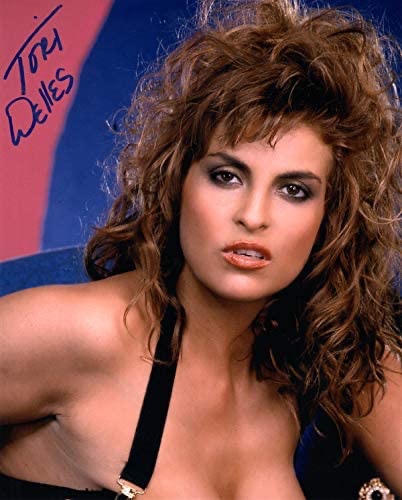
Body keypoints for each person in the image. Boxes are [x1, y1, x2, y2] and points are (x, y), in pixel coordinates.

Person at [0, 0, 401, 498]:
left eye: (294, 190)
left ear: (331, 218)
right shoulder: (84, 334)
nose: (253, 215)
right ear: (178, 182)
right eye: (227, 176)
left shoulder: (319, 365)